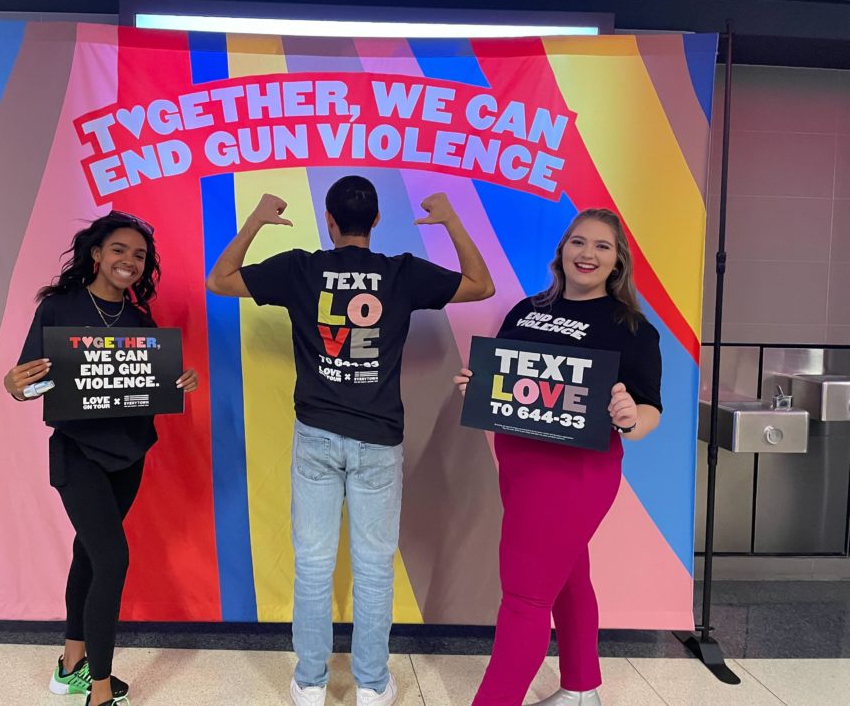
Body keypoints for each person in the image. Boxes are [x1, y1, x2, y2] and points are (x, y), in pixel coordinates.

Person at [206, 175, 495, 706]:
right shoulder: (402, 272)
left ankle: (310, 682)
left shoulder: (300, 268)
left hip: (316, 436)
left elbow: (219, 280)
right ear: (377, 220)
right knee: (374, 567)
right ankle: (372, 684)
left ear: (329, 220)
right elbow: (481, 285)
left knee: (313, 565)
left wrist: (256, 220)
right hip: (379, 440)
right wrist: (451, 220)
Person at [454, 208, 663, 706]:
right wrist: (476, 386)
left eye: (602, 246)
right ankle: (582, 688)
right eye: (578, 242)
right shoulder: (525, 310)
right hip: (519, 466)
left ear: (618, 261)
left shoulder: (632, 328)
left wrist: (629, 417)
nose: (587, 254)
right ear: (562, 250)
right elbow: (501, 381)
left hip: (574, 475)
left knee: (524, 597)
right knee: (569, 576)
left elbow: (650, 411)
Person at [3, 211, 198, 706]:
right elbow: (30, 383)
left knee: (88, 554)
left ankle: (71, 665)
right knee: (113, 558)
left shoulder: (139, 322)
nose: (130, 260)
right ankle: (101, 690)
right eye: (119, 249)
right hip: (77, 453)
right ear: (96, 253)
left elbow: (148, 387)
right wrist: (15, 385)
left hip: (128, 454)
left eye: (139, 255)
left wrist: (178, 381)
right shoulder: (58, 308)